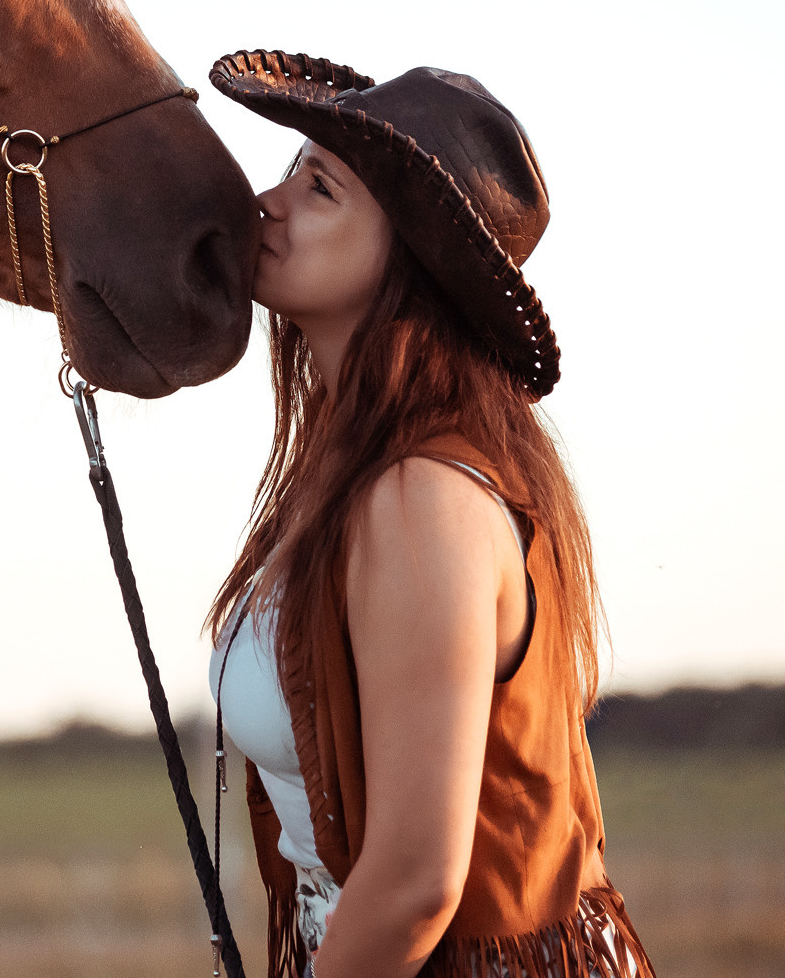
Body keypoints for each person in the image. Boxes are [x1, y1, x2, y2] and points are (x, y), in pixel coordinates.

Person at [202, 51, 654, 978]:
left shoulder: (420, 499)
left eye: (318, 188)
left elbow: (414, 880)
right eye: (289, 171)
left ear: (407, 259)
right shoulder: (348, 475)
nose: (270, 203)